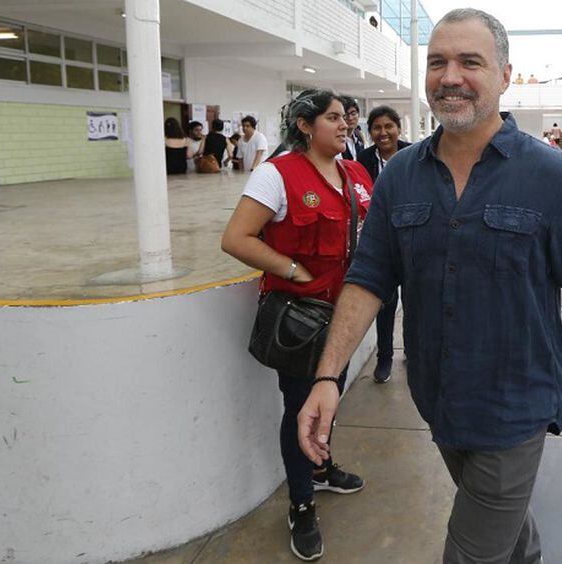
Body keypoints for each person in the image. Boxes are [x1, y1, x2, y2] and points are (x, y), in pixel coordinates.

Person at [298, 9, 562, 563]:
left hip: (514, 407)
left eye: (469, 62)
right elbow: (368, 279)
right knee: (506, 529)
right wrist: (327, 376)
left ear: (504, 75)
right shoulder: (401, 175)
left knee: (471, 551)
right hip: (437, 399)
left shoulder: (551, 176)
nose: (450, 76)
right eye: (437, 62)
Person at [221, 89, 373, 562]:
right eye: (332, 118)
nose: (345, 124)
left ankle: (321, 470)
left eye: (346, 117)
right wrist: (291, 269)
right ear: (305, 126)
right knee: (300, 409)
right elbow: (236, 238)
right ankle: (301, 503)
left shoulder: (356, 173)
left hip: (343, 317)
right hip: (300, 321)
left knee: (331, 395)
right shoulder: (277, 174)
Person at [356, 105, 412, 384]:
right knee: (385, 302)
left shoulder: (414, 155)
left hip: (412, 237)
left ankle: (412, 350)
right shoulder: (362, 160)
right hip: (382, 240)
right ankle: (384, 357)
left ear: (398, 128)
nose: (383, 132)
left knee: (414, 300)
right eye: (377, 128)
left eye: (388, 126)